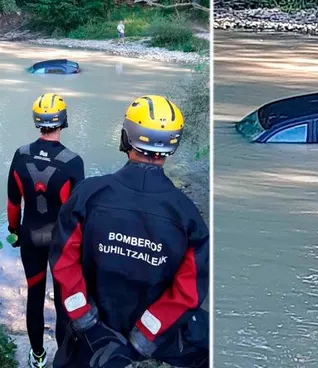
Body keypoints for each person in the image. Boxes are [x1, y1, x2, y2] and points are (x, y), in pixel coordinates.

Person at [49, 95, 209, 368]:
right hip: (151, 346)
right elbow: (188, 292)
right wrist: (141, 339)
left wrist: (90, 326)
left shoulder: (88, 195)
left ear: (126, 137)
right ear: (173, 145)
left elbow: (64, 265)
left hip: (85, 344)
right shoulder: (188, 216)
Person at [6, 93, 85, 368]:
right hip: (60, 243)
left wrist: (13, 231)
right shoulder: (73, 162)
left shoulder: (20, 155)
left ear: (37, 122)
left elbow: (13, 204)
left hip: (30, 237)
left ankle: (37, 356)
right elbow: (77, 214)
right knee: (64, 303)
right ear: (63, 120)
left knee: (35, 295)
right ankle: (61, 360)